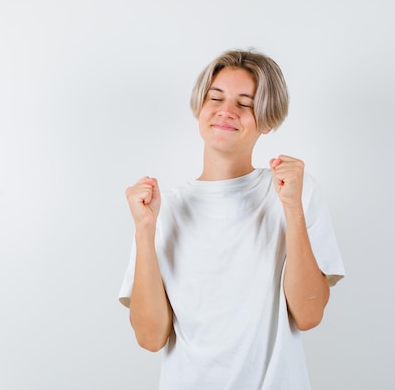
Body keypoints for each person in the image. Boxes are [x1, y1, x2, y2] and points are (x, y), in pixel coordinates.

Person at [118, 49, 345, 390]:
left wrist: (292, 209)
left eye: (245, 103)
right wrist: (144, 231)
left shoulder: (293, 191)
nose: (226, 111)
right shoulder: (163, 208)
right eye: (216, 97)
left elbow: (308, 315)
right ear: (199, 107)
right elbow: (150, 338)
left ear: (267, 119)